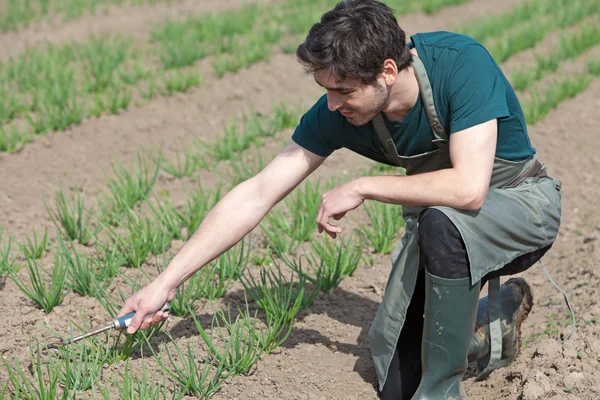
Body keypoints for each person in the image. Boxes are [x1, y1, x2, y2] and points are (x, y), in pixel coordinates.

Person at [117, 0, 562, 398]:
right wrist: (166, 282)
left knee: (441, 222)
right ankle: (488, 324)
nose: (332, 104)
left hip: (523, 208)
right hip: (444, 232)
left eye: (343, 90)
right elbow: (257, 193)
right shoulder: (341, 112)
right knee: (396, 383)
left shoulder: (461, 63)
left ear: (387, 71)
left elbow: (468, 188)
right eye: (326, 89)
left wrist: (363, 185)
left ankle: (441, 393)